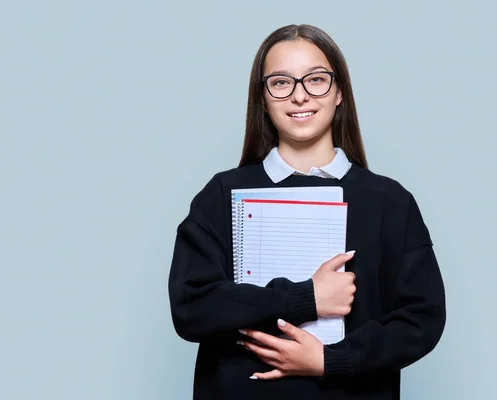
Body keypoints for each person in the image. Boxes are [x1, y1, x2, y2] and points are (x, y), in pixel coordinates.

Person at [168, 24, 446, 399]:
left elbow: (421, 320)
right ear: (262, 98)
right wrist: (305, 299)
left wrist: (331, 361)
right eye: (281, 83)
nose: (300, 96)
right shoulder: (221, 194)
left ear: (339, 93)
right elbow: (191, 307)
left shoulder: (390, 202)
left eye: (316, 80)